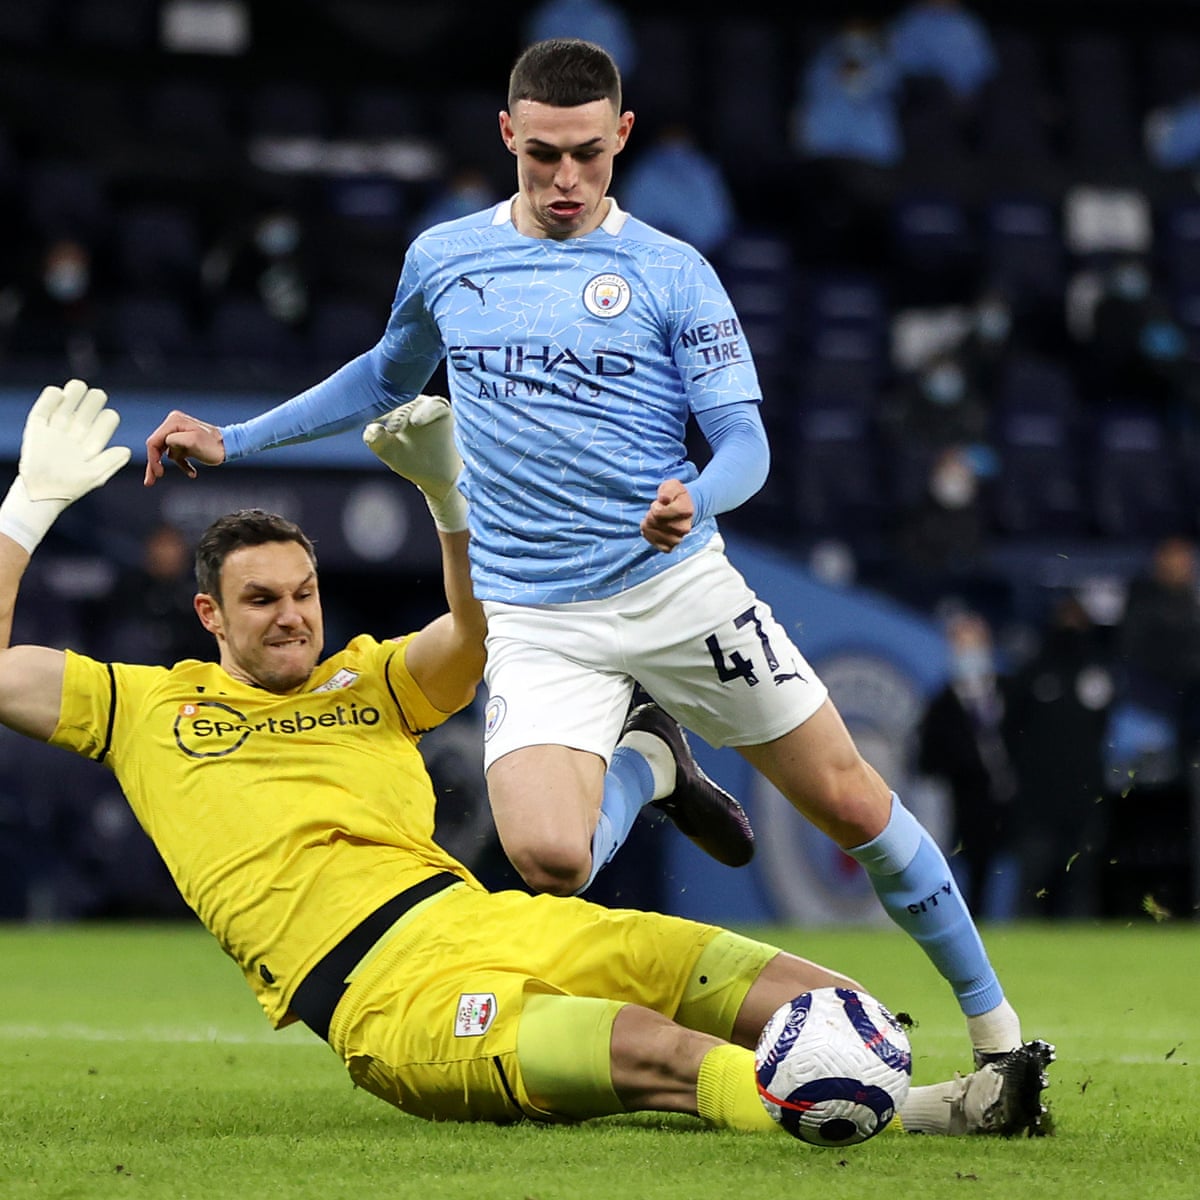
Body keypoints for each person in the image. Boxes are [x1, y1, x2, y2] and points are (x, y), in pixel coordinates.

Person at [143, 38, 1044, 1073]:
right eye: (540, 158)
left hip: (674, 587)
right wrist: (237, 439)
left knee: (849, 801)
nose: (564, 181)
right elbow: (385, 378)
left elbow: (745, 442)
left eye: (585, 155)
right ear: (506, 138)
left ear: (620, 137)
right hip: (532, 614)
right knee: (552, 860)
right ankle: (650, 764)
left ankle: (998, 1035)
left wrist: (695, 496)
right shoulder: (446, 258)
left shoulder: (672, 271)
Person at [1, 381, 1053, 1136]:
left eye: (303, 593)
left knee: (821, 1003)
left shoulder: (364, 679)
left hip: (486, 918)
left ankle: (896, 1075)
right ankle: (923, 1115)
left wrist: (448, 506)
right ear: (208, 615)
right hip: (385, 997)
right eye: (262, 601)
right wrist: (26, 509)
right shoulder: (144, 705)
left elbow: (471, 635)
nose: (291, 617)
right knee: (652, 1050)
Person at [917, 610, 1019, 920]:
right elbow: (927, 761)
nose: (969, 655)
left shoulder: (1012, 692)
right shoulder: (942, 703)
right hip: (964, 800)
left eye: (974, 646)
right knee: (970, 866)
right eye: (962, 647)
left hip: (1015, 798)